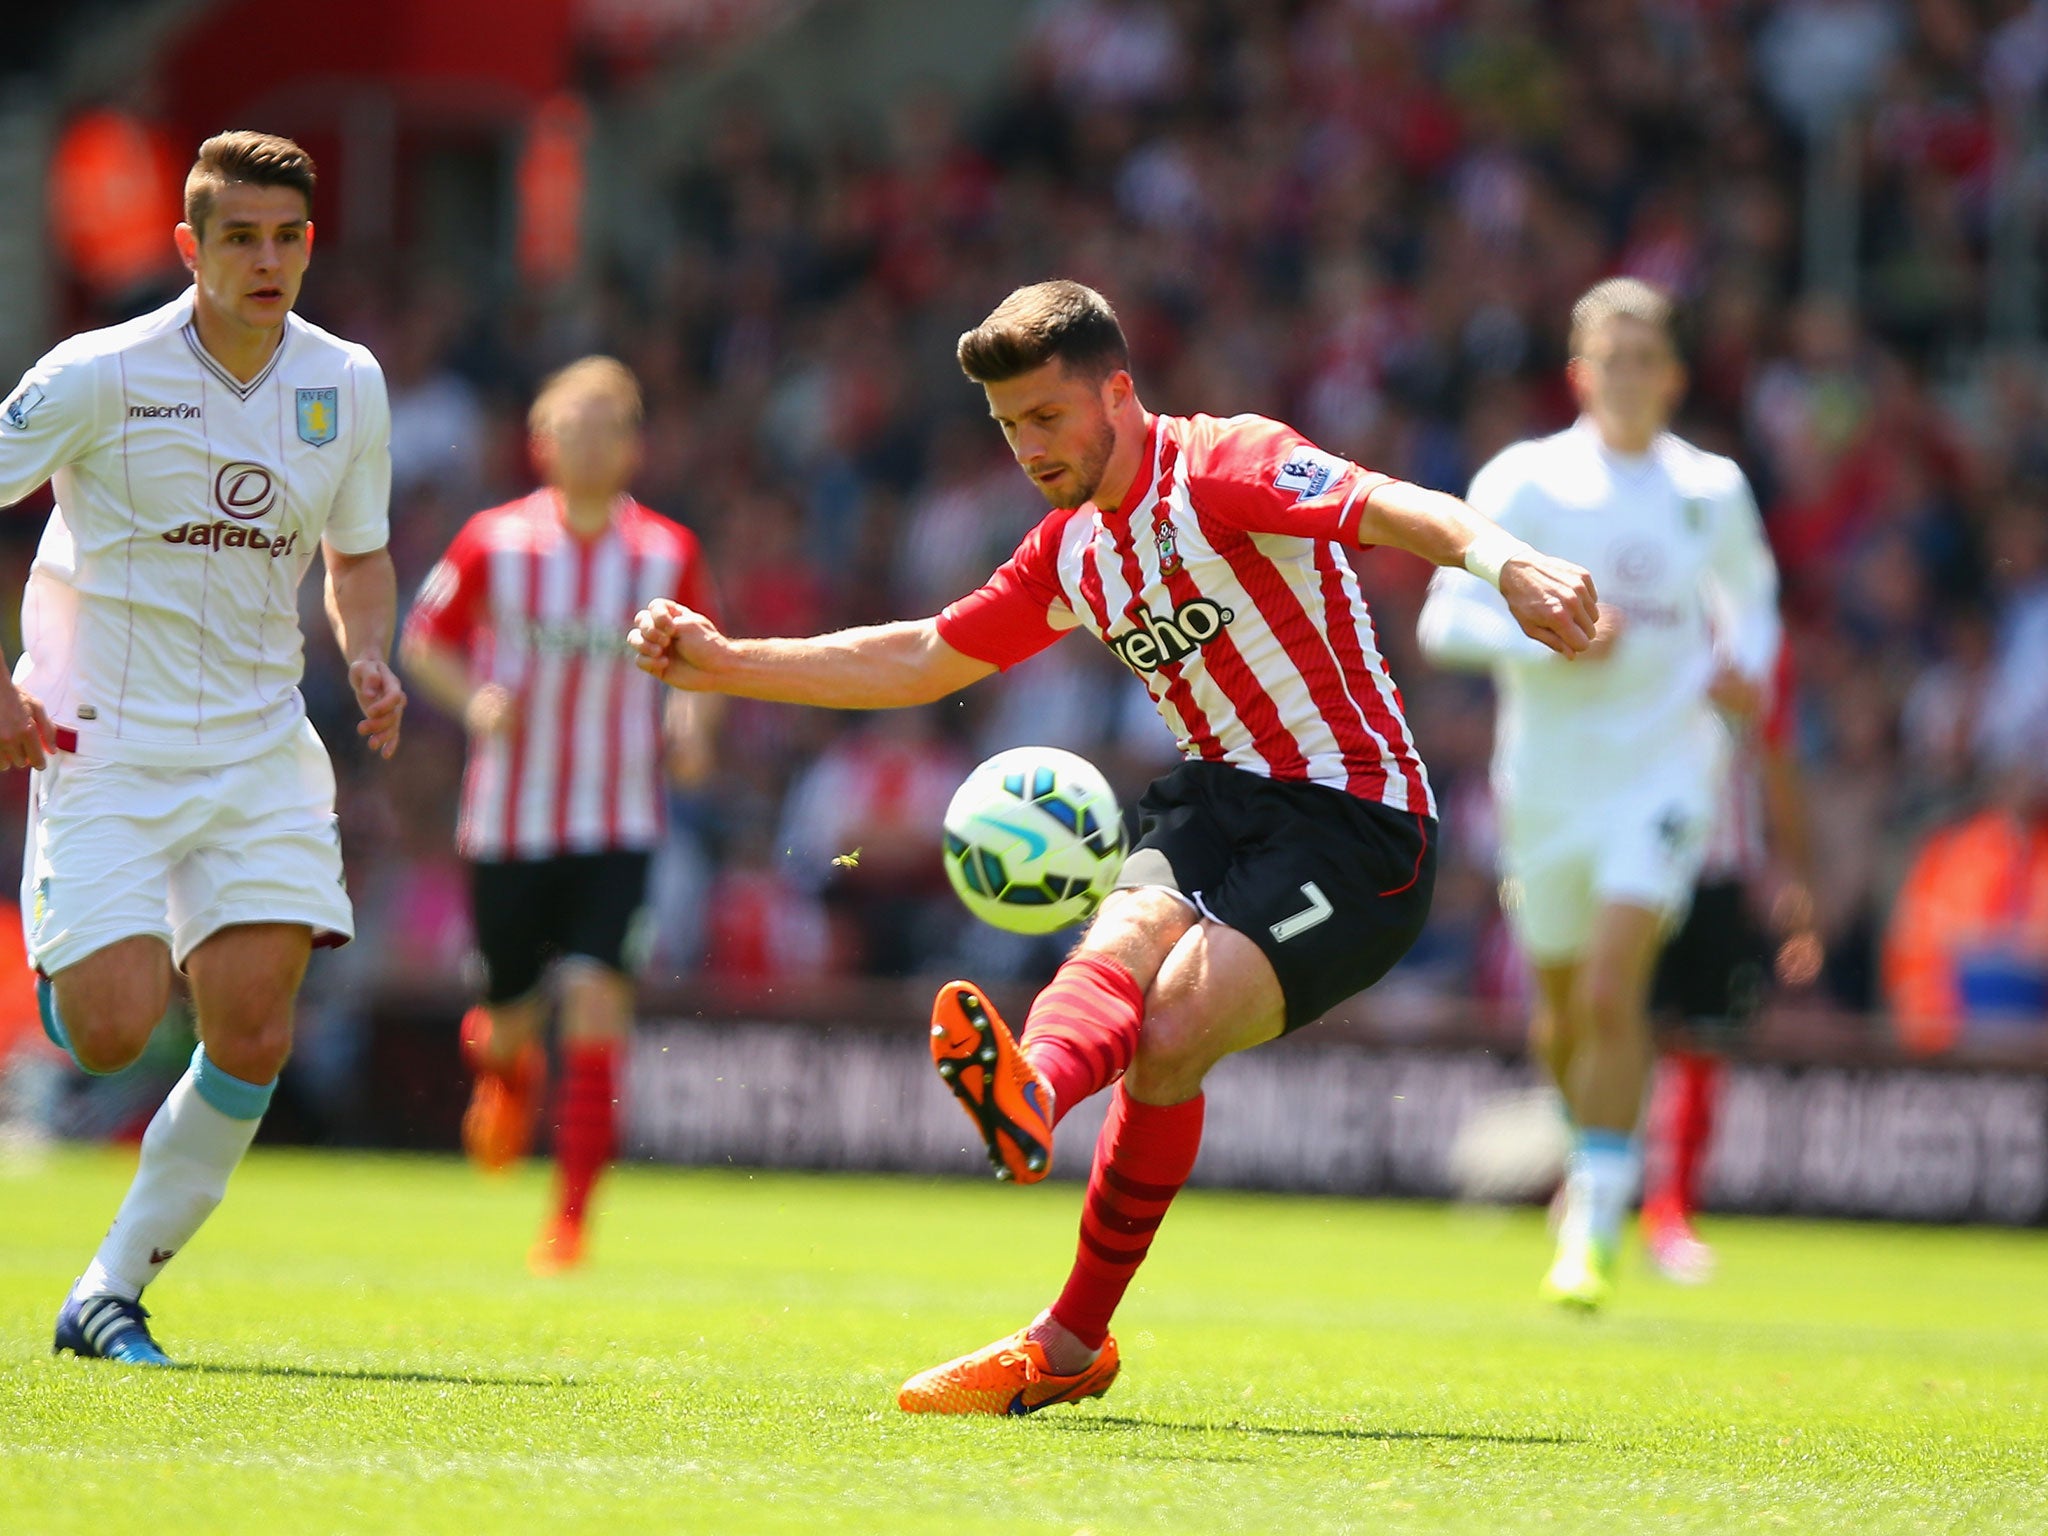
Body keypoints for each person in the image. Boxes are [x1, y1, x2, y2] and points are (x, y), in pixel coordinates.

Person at [628, 279, 1597, 1413]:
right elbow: (923, 657)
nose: (1028, 448)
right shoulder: (1068, 552)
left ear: (1118, 392)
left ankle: (1069, 1333)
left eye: (1046, 419)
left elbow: (1388, 504)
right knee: (1128, 927)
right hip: (1211, 796)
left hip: (1356, 824)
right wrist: (725, 661)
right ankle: (1030, 1101)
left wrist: (1506, 563)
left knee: (1173, 1030)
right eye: (1006, 429)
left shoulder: (1226, 465)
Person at [0, 131, 405, 1365]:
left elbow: (359, 551)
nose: (267, 259)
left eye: (287, 237)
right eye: (240, 236)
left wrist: (368, 652)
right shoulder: (97, 372)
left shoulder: (346, 381)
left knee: (252, 1031)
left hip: (255, 745)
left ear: (311, 244)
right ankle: (80, 957)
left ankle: (110, 1288)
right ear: (190, 247)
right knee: (117, 1027)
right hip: (106, 743)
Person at [1418, 277, 1782, 1310]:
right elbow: (1444, 623)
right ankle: (1594, 1164)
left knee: (1618, 985)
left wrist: (1742, 664)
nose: (1625, 376)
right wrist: (1537, 630)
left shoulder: (1709, 488)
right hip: (1547, 785)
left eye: (1644, 358)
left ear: (1669, 373)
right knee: (1564, 1015)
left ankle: (1594, 1217)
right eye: (1606, 359)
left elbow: (1752, 601)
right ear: (1578, 372)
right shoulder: (1525, 483)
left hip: (1666, 772)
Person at [402, 356, 717, 1274]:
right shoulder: (493, 541)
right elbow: (425, 641)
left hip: (619, 820)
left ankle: (571, 1222)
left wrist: (692, 728)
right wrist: (475, 702)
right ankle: (504, 1069)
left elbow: (703, 659)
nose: (585, 444)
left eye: (604, 428)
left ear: (633, 446)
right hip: (508, 821)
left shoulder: (668, 550)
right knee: (508, 1017)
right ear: (539, 443)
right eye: (568, 428)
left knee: (595, 998)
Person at [1641, 637, 1818, 1282]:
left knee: (1702, 1041)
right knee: (1621, 1026)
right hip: (1634, 860)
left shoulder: (1759, 642)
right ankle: (1593, 1187)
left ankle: (1671, 1211)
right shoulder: (1635, 608)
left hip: (1718, 868)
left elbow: (1775, 756)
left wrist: (1794, 871)